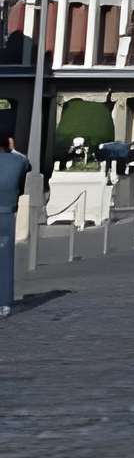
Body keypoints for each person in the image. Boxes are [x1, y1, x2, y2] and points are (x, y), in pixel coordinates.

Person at [0, 126, 31, 316]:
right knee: (5, 260)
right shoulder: (18, 161)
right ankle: (3, 303)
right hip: (7, 214)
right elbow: (28, 165)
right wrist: (12, 149)